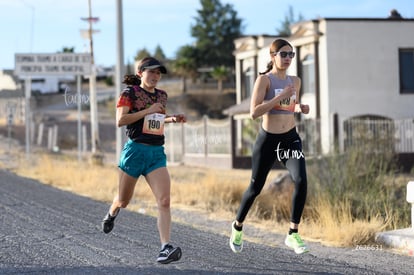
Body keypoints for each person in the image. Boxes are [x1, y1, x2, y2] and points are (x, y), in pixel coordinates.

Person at [229, 39, 310, 254]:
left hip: (290, 139)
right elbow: (254, 113)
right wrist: (280, 97)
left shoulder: (296, 81)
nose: (287, 59)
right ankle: (237, 226)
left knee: (301, 180)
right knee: (255, 188)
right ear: (272, 56)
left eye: (291, 55)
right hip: (268, 141)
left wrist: (301, 107)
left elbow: (290, 107)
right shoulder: (264, 80)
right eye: (283, 54)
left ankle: (293, 234)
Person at [102, 57, 186, 264]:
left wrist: (171, 119)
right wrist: (148, 110)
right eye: (151, 72)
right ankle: (112, 212)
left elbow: (154, 121)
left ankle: (165, 247)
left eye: (159, 73)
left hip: (156, 153)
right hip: (135, 151)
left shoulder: (162, 96)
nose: (156, 76)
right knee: (124, 201)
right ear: (140, 73)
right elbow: (121, 120)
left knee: (164, 201)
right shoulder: (129, 93)